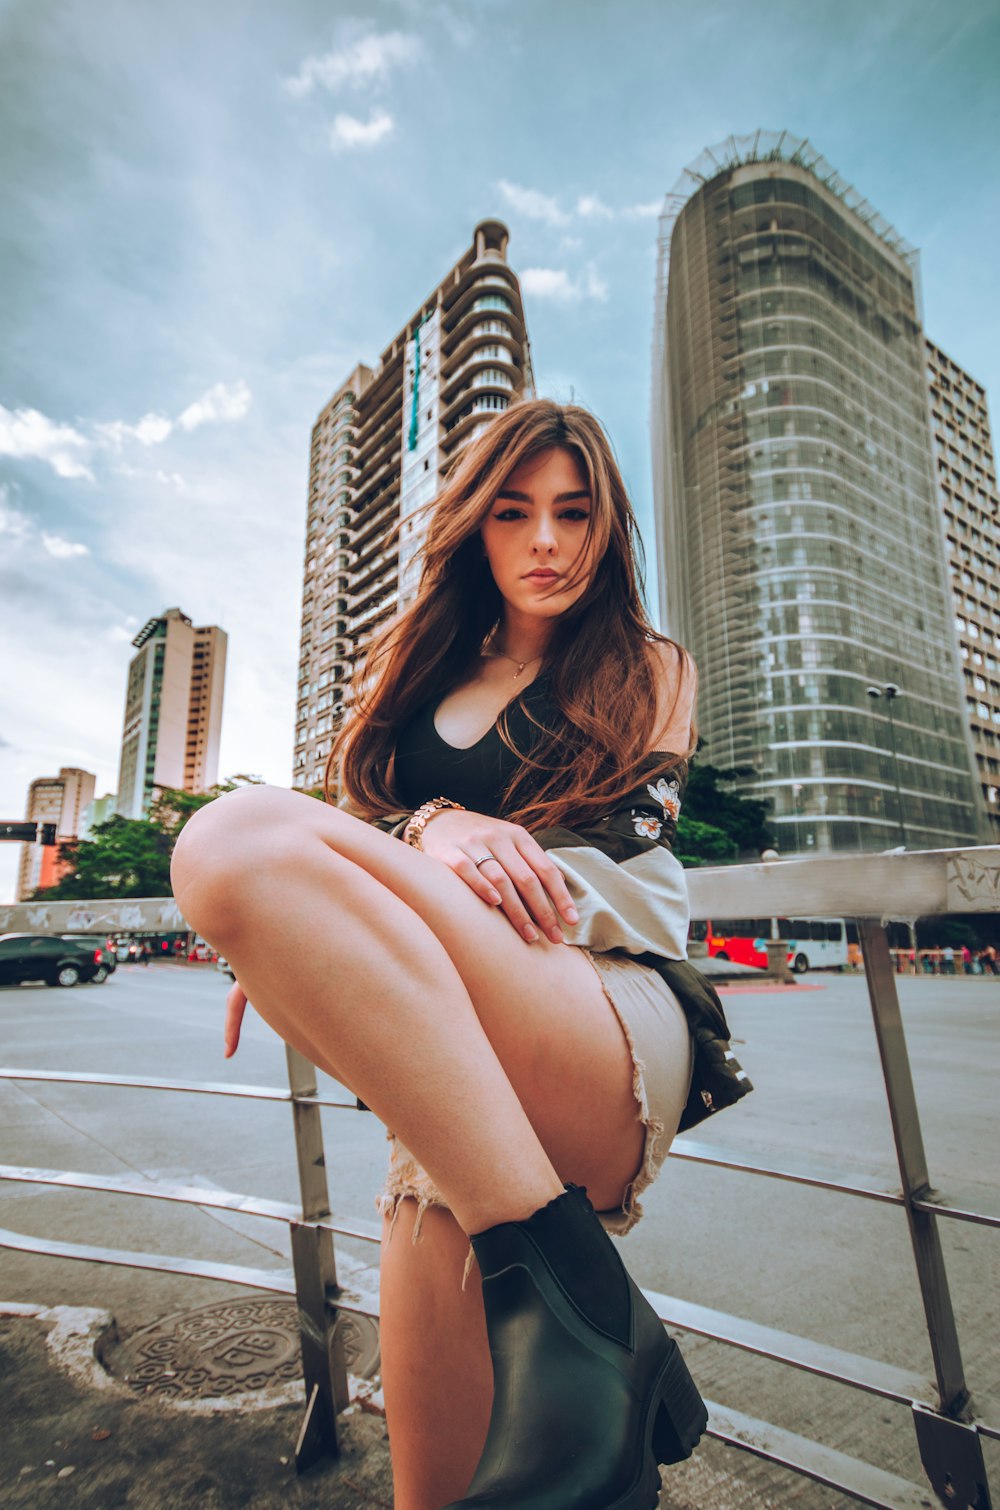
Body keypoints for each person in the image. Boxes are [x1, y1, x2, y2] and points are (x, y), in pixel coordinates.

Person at [170, 399, 751, 1510]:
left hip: (601, 1008)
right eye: (513, 512)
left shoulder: (650, 667)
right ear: (475, 529)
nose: (544, 542)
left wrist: (406, 863)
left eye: (573, 514)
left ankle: (595, 1329)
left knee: (234, 833)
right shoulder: (411, 686)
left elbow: (590, 873)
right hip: (454, 1108)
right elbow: (356, 844)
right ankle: (595, 1335)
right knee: (444, 1490)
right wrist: (431, 826)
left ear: (606, 529)